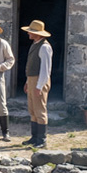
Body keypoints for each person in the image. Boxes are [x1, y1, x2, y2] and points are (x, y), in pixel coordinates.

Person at [22, 20, 53, 148]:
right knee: (33, 109)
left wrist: (39, 86)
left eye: (32, 31)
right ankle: (34, 137)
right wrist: (27, 82)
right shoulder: (35, 44)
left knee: (40, 110)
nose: (29, 33)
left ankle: (42, 139)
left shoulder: (45, 47)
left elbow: (45, 70)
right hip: (32, 80)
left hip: (39, 80)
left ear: (38, 34)